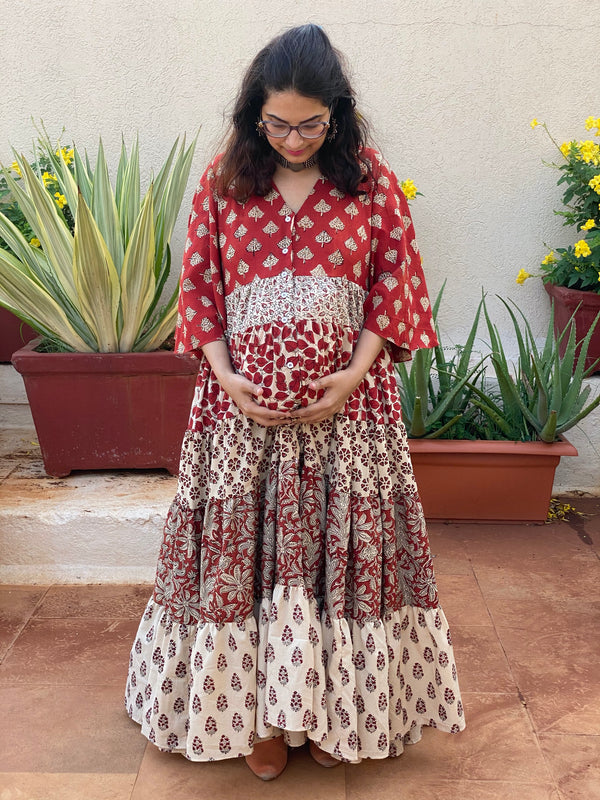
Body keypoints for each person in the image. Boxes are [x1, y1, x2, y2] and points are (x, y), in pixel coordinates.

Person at [125, 23, 465, 781]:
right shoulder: (224, 182)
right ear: (255, 115)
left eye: (311, 123)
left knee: (336, 562)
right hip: (241, 417)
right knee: (247, 566)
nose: (294, 137)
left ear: (337, 114)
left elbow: (395, 284)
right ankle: (260, 720)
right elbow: (201, 290)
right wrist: (225, 375)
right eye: (277, 123)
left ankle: (327, 709)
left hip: (351, 415)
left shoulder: (370, 182)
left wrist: (353, 375)